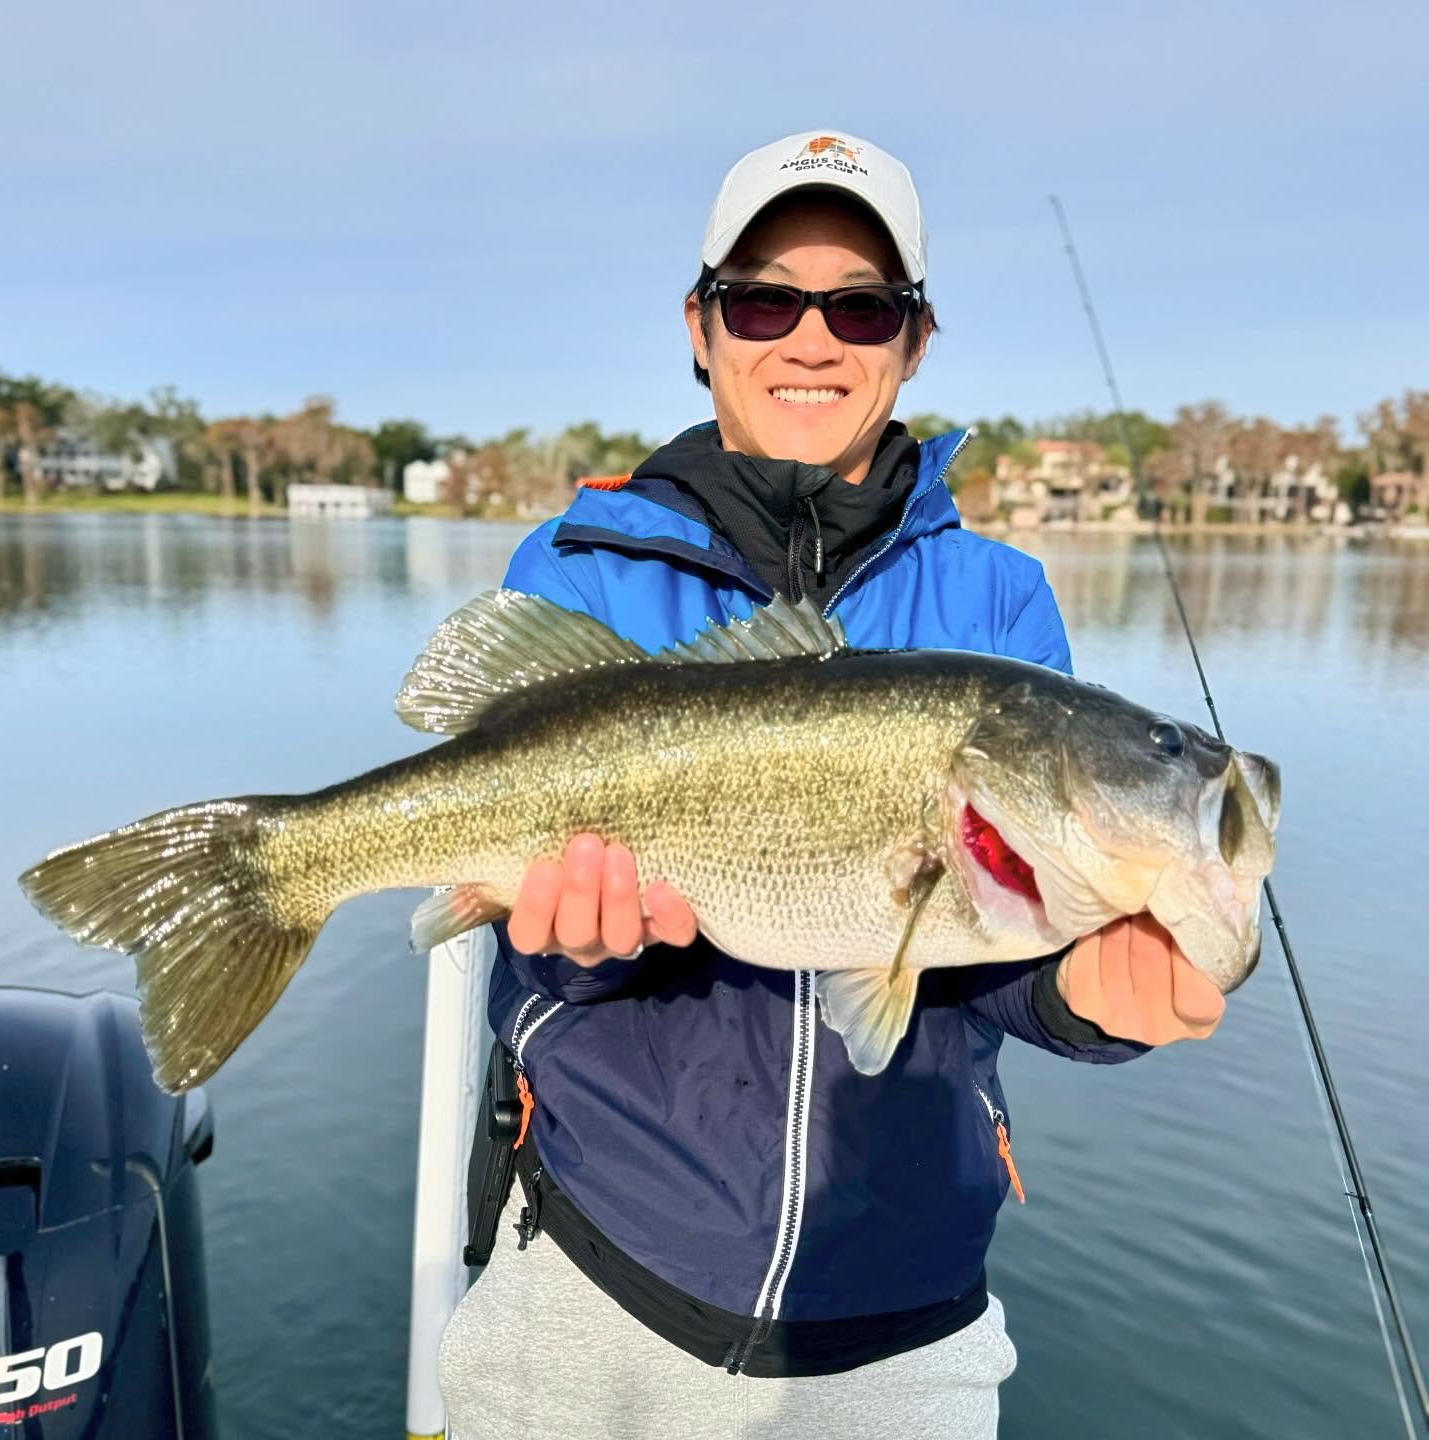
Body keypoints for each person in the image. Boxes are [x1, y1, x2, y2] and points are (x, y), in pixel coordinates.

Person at [437, 129, 1225, 1439]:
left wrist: (1089, 995)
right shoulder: (578, 564)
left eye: (861, 307)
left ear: (915, 341)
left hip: (904, 1320)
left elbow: (1001, 955)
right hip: (594, 1274)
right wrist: (576, 949)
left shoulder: (1001, 604)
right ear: (701, 326)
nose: (812, 338)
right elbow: (546, 959)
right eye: (764, 299)